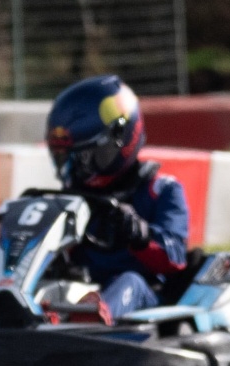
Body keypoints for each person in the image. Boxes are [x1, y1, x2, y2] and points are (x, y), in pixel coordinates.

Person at [44, 74, 191, 322]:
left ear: (119, 139)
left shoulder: (162, 189)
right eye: (64, 159)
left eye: (84, 158)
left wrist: (140, 235)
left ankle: (89, 322)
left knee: (129, 282)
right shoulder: (72, 198)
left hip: (143, 297)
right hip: (82, 288)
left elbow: (176, 256)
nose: (74, 170)